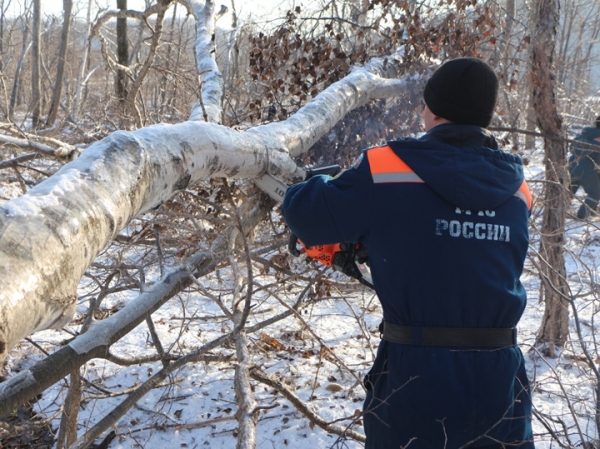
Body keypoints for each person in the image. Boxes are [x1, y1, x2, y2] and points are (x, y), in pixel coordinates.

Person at [282, 58, 534, 448]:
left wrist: (315, 182)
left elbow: (304, 214)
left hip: (416, 376)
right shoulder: (518, 189)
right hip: (500, 381)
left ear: (432, 110)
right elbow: (462, 253)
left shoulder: (387, 169)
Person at [569, 116, 600, 219]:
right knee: (595, 193)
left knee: (570, 189)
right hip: (586, 168)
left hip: (572, 163)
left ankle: (556, 209)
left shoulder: (584, 132)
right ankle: (582, 216)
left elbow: (571, 146)